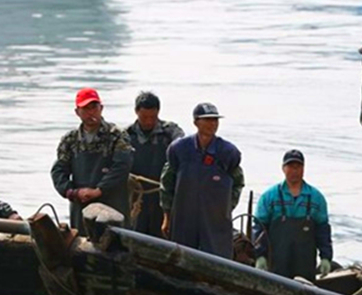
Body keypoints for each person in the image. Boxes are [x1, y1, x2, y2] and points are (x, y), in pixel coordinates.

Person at [159, 102, 244, 259]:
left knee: (217, 258)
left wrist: (226, 208)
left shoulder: (228, 152)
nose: (213, 124)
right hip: (184, 216)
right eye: (207, 120)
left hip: (215, 220)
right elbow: (167, 184)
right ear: (196, 122)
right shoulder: (179, 150)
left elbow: (238, 183)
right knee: (182, 257)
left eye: (215, 120)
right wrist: (167, 215)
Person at [51, 88, 134, 229]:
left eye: (94, 107)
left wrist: (99, 190)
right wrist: (72, 192)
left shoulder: (117, 135)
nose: (91, 112)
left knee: (116, 245)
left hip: (113, 203)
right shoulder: (70, 139)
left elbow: (122, 167)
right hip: (80, 205)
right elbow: (58, 170)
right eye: (85, 108)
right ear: (77, 112)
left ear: (101, 108)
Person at [253, 149, 333, 281]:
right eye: (290, 166)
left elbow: (323, 230)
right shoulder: (269, 197)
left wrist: (326, 257)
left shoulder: (316, 198)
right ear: (283, 168)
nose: (294, 170)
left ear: (303, 168)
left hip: (305, 265)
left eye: (298, 166)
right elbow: (259, 228)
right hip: (276, 264)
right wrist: (260, 256)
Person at [126, 91, 184, 236]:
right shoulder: (126, 136)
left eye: (153, 117)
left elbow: (182, 147)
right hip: (135, 198)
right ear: (136, 112)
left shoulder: (170, 132)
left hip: (163, 196)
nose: (148, 121)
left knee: (163, 237)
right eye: (144, 117)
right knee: (134, 236)